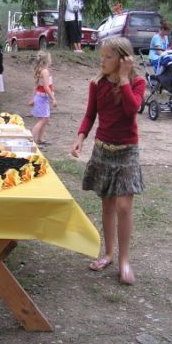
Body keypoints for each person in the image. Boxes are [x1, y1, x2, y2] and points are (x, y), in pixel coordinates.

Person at [71, 37, 145, 286]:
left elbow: (131, 109)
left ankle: (124, 260)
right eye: (101, 56)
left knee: (124, 206)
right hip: (103, 150)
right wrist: (81, 137)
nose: (102, 61)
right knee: (108, 205)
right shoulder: (97, 84)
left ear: (123, 59)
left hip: (127, 152)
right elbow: (90, 114)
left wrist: (124, 79)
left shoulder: (137, 82)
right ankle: (109, 254)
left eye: (108, 57)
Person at [29, 51, 57, 146]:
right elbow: (46, 87)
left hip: (41, 98)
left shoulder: (41, 70)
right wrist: (53, 98)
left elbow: (36, 86)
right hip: (41, 99)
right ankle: (31, 140)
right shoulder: (44, 71)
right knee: (42, 120)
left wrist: (33, 98)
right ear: (47, 61)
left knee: (45, 119)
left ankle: (39, 139)